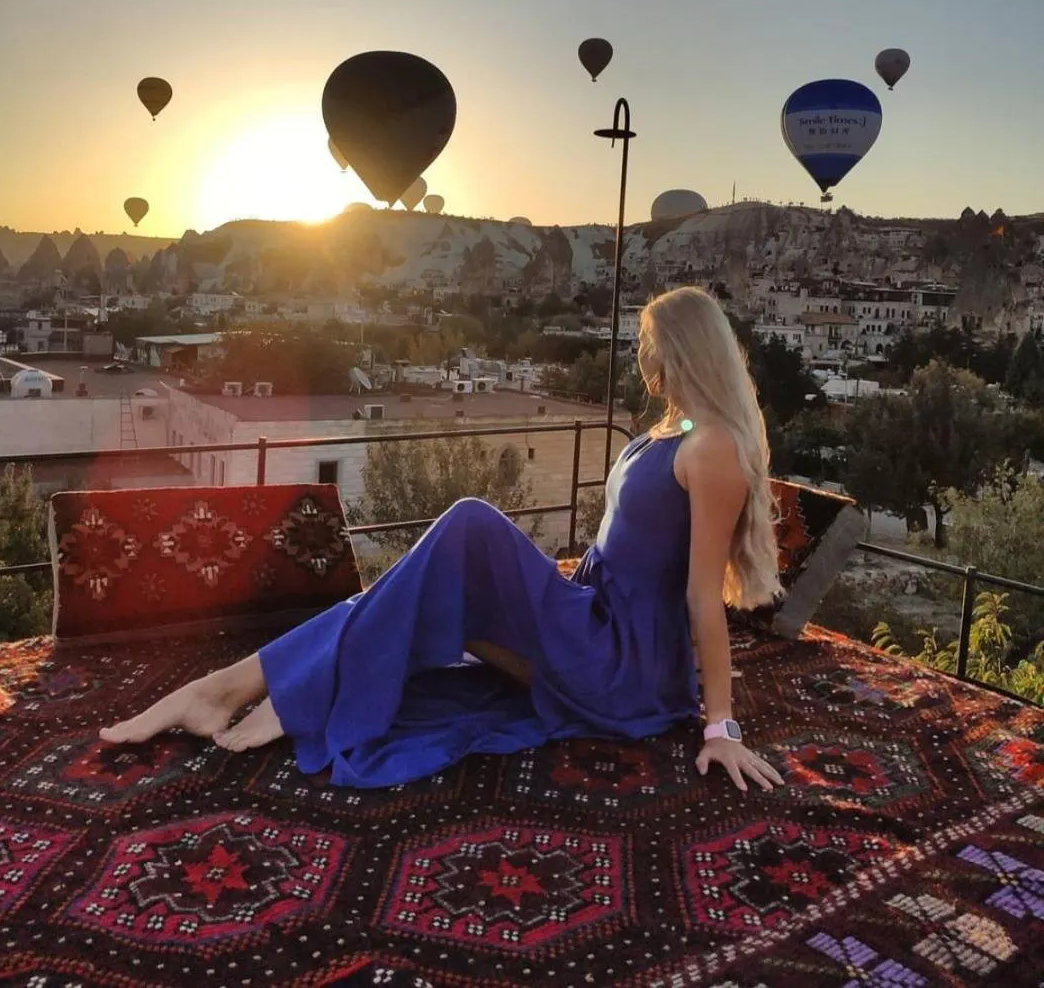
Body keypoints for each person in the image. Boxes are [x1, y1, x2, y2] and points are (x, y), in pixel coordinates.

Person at [100, 287, 784, 793]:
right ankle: (240, 689)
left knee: (469, 522)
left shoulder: (713, 448)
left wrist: (720, 728)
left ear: (682, 349)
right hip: (584, 622)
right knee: (410, 591)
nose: (646, 357)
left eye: (653, 343)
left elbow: (701, 598)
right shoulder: (674, 432)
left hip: (617, 666)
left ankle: (239, 690)